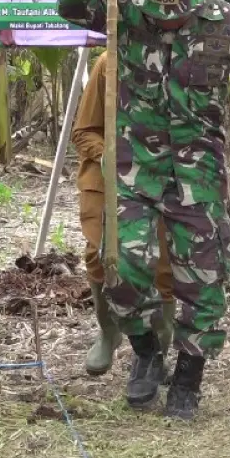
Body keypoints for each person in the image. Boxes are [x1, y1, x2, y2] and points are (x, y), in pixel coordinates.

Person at [57, 0, 230, 419]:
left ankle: (188, 377)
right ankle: (146, 352)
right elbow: (71, 8)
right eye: (156, 2)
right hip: (133, 168)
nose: (163, 15)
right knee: (118, 267)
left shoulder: (228, 23)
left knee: (202, 279)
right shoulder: (125, 8)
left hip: (197, 171)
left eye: (175, 6)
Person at [70, 51, 174, 375]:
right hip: (109, 178)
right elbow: (83, 130)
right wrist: (113, 154)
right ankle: (108, 331)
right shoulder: (108, 63)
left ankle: (158, 348)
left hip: (162, 180)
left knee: (162, 263)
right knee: (99, 255)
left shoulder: (184, 60)